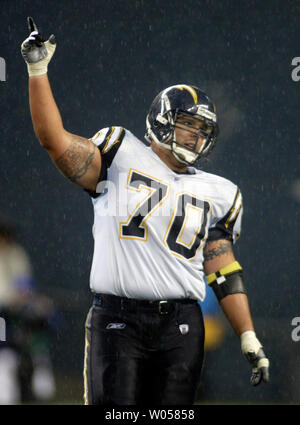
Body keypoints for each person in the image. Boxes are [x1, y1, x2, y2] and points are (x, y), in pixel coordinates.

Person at [21, 17, 269, 405]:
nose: (195, 136)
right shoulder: (120, 151)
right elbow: (55, 142)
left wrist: (248, 334)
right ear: (162, 119)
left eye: (202, 129)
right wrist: (38, 71)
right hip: (118, 322)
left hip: (183, 326)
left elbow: (221, 268)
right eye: (188, 125)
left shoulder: (220, 192)